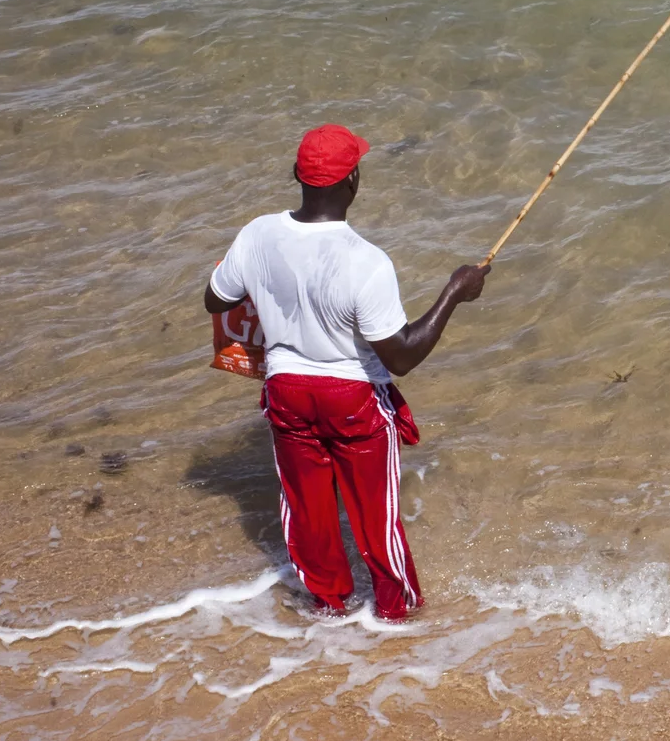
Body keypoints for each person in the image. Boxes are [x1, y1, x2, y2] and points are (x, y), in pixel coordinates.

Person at [202, 123, 487, 620]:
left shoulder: (257, 234)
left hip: (286, 391)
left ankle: (329, 609)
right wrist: (453, 294)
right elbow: (401, 356)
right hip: (351, 398)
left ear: (298, 175)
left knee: (309, 514)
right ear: (353, 180)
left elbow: (215, 298)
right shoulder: (366, 261)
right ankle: (395, 615)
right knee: (376, 518)